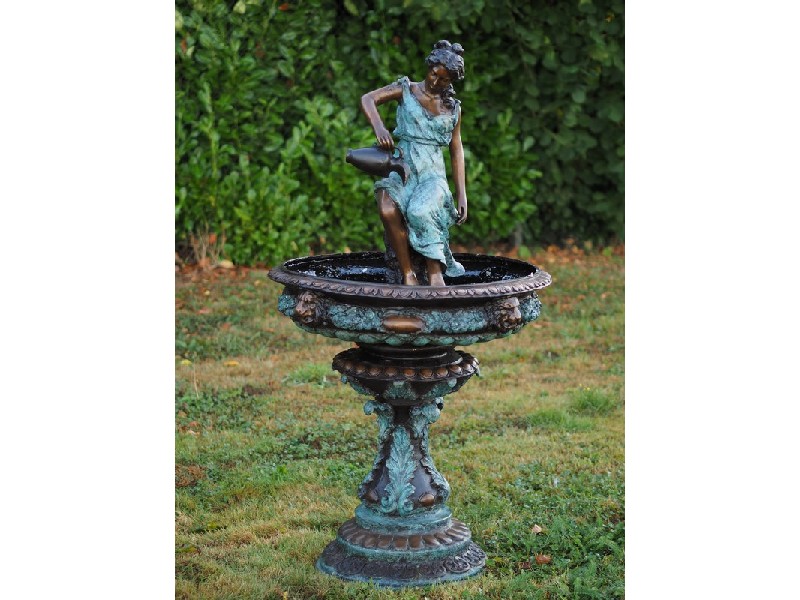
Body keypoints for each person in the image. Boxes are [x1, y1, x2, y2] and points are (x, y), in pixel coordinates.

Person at [360, 40, 468, 287]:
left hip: (432, 174)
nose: (435, 82)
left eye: (444, 80)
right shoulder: (406, 89)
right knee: (387, 208)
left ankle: (434, 272)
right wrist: (379, 127)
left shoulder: (453, 109)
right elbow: (368, 99)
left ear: (451, 82)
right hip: (403, 167)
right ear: (429, 68)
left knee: (420, 210)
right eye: (434, 74)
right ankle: (408, 273)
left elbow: (456, 149)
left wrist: (461, 193)